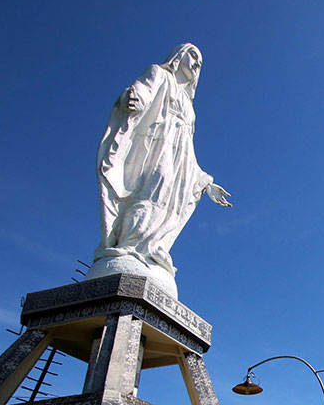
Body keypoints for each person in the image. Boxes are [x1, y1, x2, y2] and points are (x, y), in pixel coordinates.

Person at [86, 44, 231, 298]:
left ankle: (151, 249)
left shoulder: (190, 106)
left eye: (201, 62)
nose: (196, 63)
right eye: (193, 55)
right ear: (179, 55)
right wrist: (133, 97)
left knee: (170, 202)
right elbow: (142, 90)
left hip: (180, 157)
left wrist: (206, 182)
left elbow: (189, 149)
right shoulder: (160, 74)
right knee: (154, 186)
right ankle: (131, 245)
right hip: (155, 144)